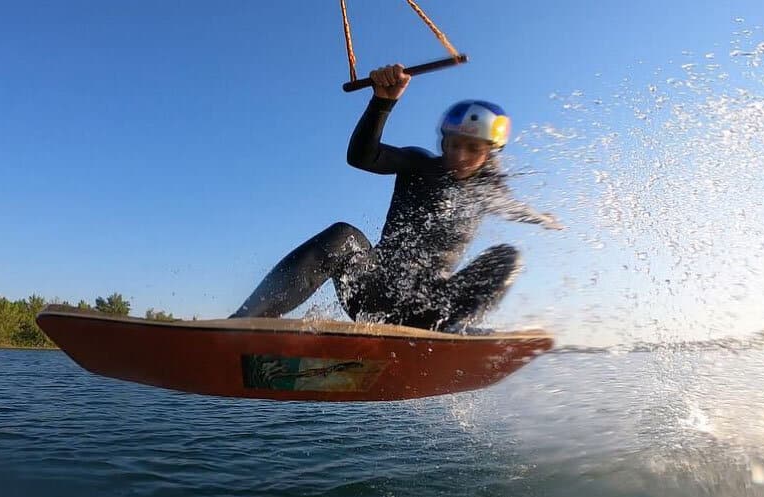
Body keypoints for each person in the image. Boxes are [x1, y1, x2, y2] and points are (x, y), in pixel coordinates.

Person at [230, 64, 563, 333]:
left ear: (490, 154)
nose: (459, 155)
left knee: (508, 256)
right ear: (443, 142)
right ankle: (245, 323)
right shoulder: (419, 165)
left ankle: (455, 335)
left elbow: (513, 208)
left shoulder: (488, 192)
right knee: (343, 235)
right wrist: (382, 102)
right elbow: (362, 157)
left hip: (433, 311)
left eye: (473, 148)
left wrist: (544, 218)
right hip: (374, 294)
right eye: (453, 144)